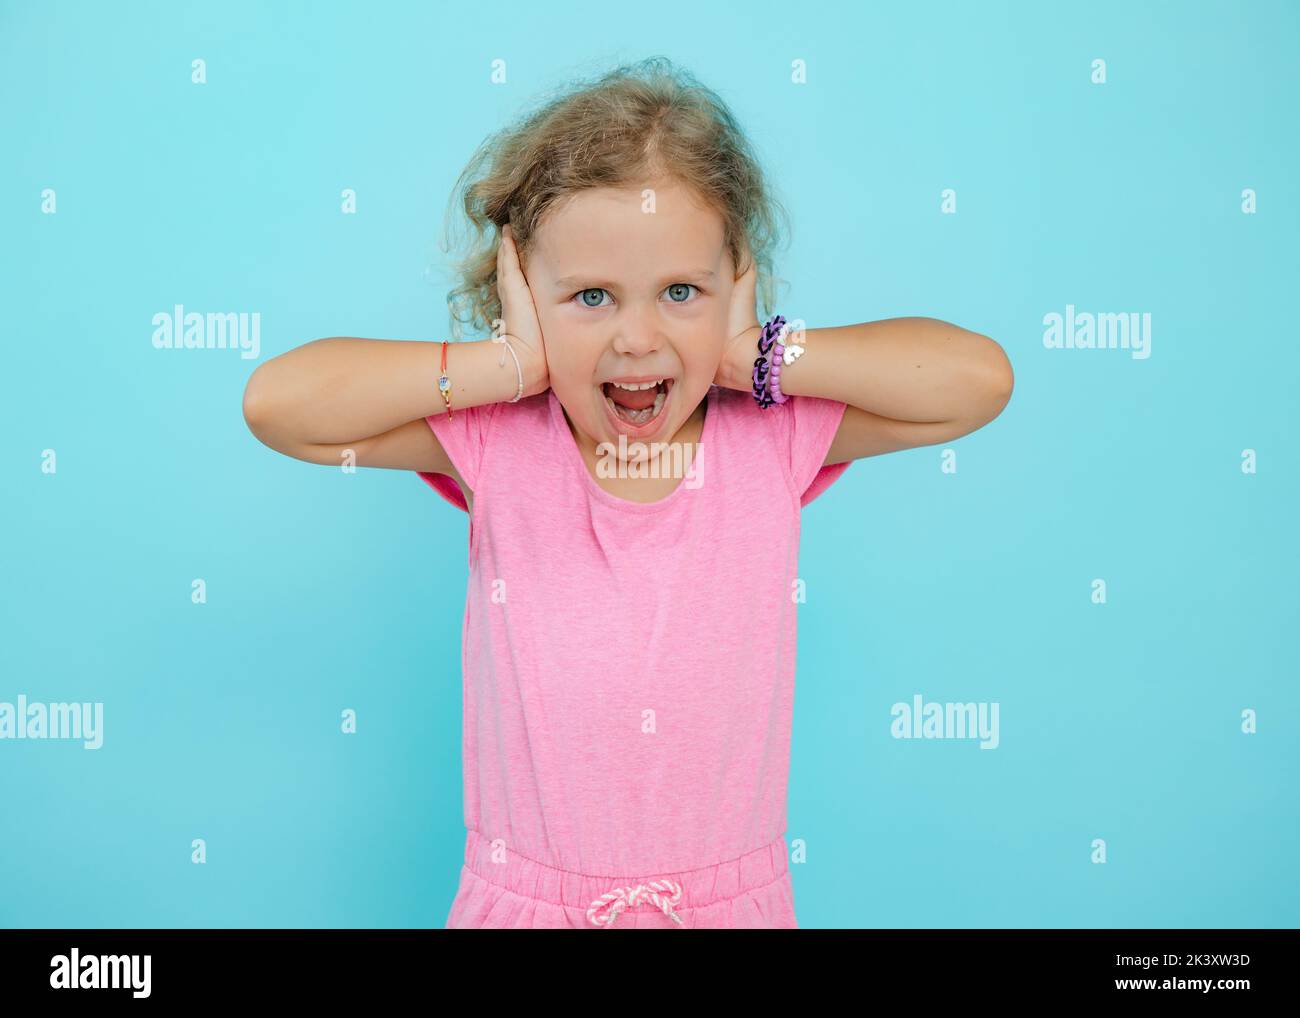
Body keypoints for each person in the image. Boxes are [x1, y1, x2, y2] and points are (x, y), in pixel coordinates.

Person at [241, 56, 1013, 928]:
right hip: (526, 908)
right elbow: (280, 406)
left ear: (735, 287)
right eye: (591, 297)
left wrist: (750, 356)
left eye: (681, 292)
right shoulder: (500, 438)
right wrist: (510, 367)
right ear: (522, 291)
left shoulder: (771, 433)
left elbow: (974, 381)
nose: (637, 337)